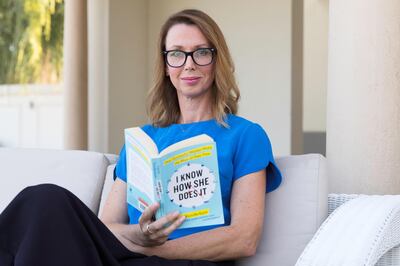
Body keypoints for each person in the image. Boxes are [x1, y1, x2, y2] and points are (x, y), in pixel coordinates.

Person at [0, 9, 281, 266]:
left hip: (186, 262)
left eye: (201, 52)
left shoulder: (245, 135)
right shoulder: (142, 141)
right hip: (128, 258)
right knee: (41, 200)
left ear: (217, 60)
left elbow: (244, 238)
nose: (188, 64)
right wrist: (140, 234)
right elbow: (106, 229)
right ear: (166, 64)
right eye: (176, 54)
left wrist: (151, 250)